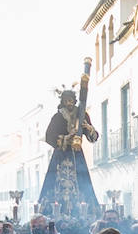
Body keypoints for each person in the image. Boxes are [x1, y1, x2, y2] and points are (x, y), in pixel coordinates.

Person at [38, 88, 101, 218]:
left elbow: (93, 137)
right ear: (63, 102)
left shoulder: (82, 115)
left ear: (75, 101)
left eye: (71, 100)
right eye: (66, 101)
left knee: (82, 182)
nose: (69, 103)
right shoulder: (58, 117)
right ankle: (53, 213)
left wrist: (88, 128)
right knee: (55, 183)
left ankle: (85, 213)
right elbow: (49, 136)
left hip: (77, 155)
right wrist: (66, 138)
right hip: (60, 156)